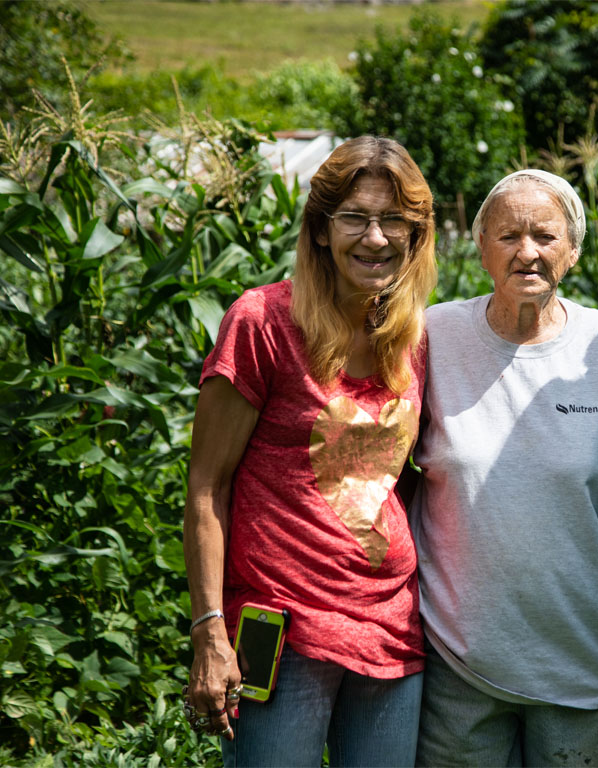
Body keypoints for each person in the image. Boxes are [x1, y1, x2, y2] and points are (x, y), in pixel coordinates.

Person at [182, 135, 437, 767]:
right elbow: (206, 487)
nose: (375, 238)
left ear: (414, 236)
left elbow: (392, 483)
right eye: (355, 218)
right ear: (321, 230)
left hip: (393, 631)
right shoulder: (262, 322)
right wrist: (209, 631)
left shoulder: (414, 338)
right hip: (283, 631)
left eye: (393, 221)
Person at [409, 169, 598, 767]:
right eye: (508, 236)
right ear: (480, 246)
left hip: (589, 660)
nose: (527, 252)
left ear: (571, 250)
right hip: (459, 664)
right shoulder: (432, 334)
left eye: (545, 237)